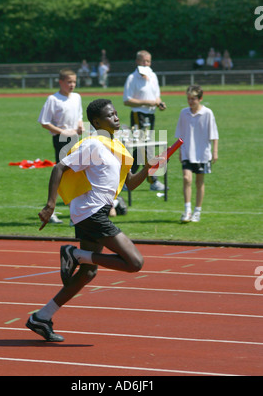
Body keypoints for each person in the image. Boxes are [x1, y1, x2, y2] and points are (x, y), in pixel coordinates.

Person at [26, 98, 166, 342]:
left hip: (93, 212)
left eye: (115, 114)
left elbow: (130, 183)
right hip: (91, 211)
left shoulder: (116, 145)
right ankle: (74, 254)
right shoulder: (93, 145)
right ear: (96, 122)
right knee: (134, 262)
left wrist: (149, 168)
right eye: (110, 115)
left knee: (88, 273)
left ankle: (41, 317)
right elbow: (58, 168)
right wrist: (50, 205)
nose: (116, 117)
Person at [38, 69, 84, 224]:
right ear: (61, 82)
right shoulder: (53, 99)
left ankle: (75, 212)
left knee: (75, 175)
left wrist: (79, 126)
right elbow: (45, 122)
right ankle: (53, 211)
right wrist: (63, 131)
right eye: (69, 82)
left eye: (74, 82)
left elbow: (79, 116)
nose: (72, 85)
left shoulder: (77, 97)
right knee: (62, 176)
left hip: (75, 139)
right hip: (61, 140)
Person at [123, 49, 167, 191]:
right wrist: (146, 103)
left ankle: (126, 179)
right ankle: (152, 180)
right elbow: (127, 100)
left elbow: (157, 96)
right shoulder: (132, 78)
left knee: (142, 148)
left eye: (148, 61)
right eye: (143, 61)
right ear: (137, 62)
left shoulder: (153, 75)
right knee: (145, 148)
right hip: (138, 115)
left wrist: (159, 103)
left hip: (150, 115)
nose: (146, 63)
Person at [175, 85, 219, 223]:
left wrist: (215, 152)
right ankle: (187, 210)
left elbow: (214, 135)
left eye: (193, 99)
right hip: (187, 151)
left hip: (202, 154)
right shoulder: (183, 113)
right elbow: (180, 135)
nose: (190, 101)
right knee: (187, 179)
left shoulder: (208, 113)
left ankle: (197, 211)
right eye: (188, 99)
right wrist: (179, 151)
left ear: (200, 99)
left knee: (199, 182)